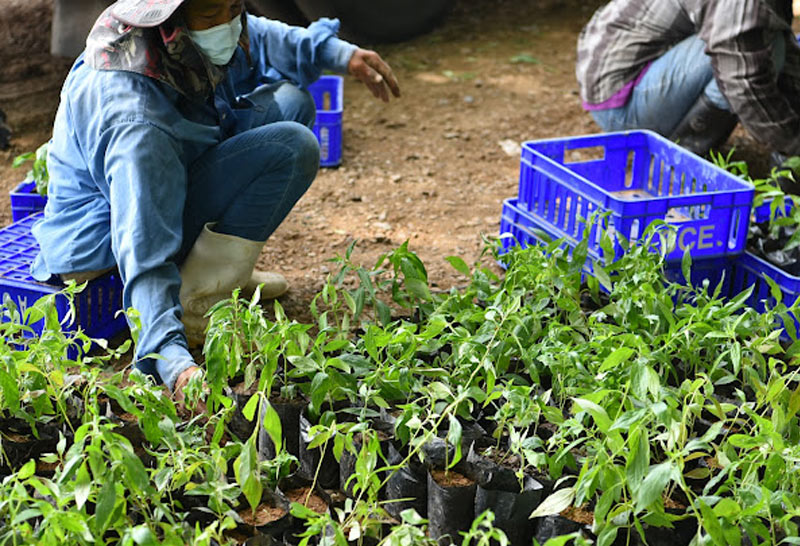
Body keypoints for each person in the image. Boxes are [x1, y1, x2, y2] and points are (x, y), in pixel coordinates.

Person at [30, 0, 400, 403]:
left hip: (164, 179)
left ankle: (218, 277)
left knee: (291, 103)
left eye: (234, 7)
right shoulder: (135, 118)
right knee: (291, 148)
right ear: (170, 23)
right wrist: (169, 356)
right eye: (210, 17)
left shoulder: (186, 41)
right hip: (106, 238)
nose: (227, 24)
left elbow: (260, 36)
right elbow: (142, 240)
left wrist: (339, 54)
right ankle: (194, 305)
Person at [576, 0, 800, 169]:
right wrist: (793, 146)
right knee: (756, 53)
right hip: (622, 98)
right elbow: (743, 83)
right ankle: (678, 160)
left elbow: (784, 44)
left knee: (765, 44)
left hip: (643, 69)